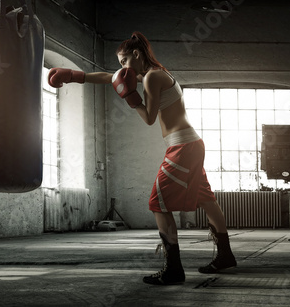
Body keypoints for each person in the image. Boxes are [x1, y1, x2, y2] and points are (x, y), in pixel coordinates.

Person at [47, 31, 236, 285]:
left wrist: (130, 98)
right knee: (205, 198)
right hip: (191, 143)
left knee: (158, 202)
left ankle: (174, 269)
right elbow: (110, 77)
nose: (122, 68)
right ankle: (225, 255)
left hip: (181, 146)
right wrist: (74, 76)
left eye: (124, 61)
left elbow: (148, 117)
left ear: (136, 54)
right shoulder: (158, 73)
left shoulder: (152, 78)